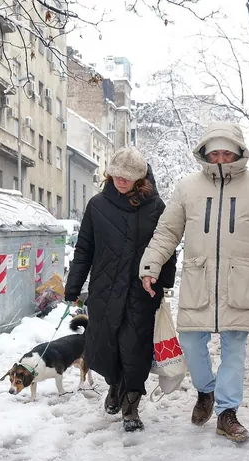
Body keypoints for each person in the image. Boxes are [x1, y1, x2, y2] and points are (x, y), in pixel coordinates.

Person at [139, 122, 249, 443]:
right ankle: (205, 391)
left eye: (228, 151)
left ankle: (227, 413)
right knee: (190, 342)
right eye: (215, 152)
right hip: (198, 280)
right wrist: (150, 266)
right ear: (205, 153)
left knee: (235, 350)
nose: (222, 158)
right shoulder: (187, 188)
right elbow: (167, 233)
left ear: (239, 152)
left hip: (239, 282)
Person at [65, 147, 177, 432]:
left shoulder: (156, 208)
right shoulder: (97, 205)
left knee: (135, 350)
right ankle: (114, 386)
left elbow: (167, 249)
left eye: (127, 177)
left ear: (140, 179)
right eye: (116, 174)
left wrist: (164, 284)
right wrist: (73, 286)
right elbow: (84, 249)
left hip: (141, 293)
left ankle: (131, 405)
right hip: (103, 292)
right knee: (106, 346)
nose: (120, 180)